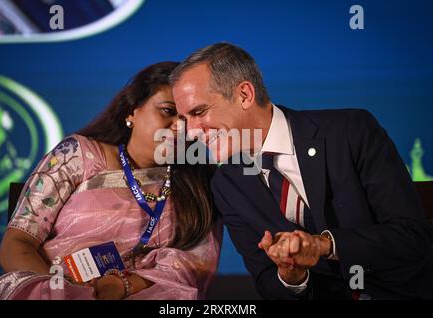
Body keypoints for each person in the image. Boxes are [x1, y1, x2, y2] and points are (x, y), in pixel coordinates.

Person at [170, 42, 433, 299]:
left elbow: (413, 237)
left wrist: (323, 245)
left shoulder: (351, 130)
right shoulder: (227, 184)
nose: (191, 132)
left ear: (244, 95)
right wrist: (290, 275)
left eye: (199, 111)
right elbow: (266, 283)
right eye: (185, 119)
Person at [0, 61, 222, 300]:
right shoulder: (77, 155)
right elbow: (16, 244)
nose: (178, 128)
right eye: (168, 111)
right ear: (132, 111)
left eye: (188, 119)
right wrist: (64, 293)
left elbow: (194, 264)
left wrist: (119, 286)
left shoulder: (199, 186)